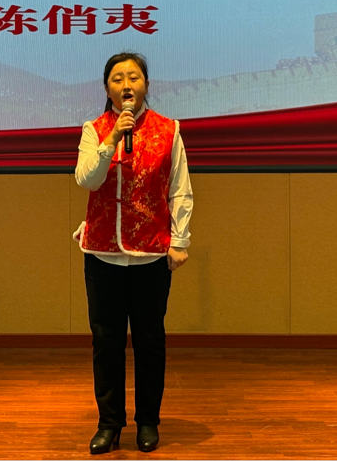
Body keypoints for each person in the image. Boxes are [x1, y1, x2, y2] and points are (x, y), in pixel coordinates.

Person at [73, 52, 193, 454]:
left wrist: (180, 241)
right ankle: (109, 423)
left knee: (149, 341)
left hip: (151, 255)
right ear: (107, 88)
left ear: (146, 84)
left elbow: (180, 190)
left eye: (134, 77)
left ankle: (147, 422)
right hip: (102, 253)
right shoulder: (94, 130)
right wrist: (111, 140)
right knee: (106, 342)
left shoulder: (169, 130)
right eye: (118, 79)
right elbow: (87, 180)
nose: (127, 85)